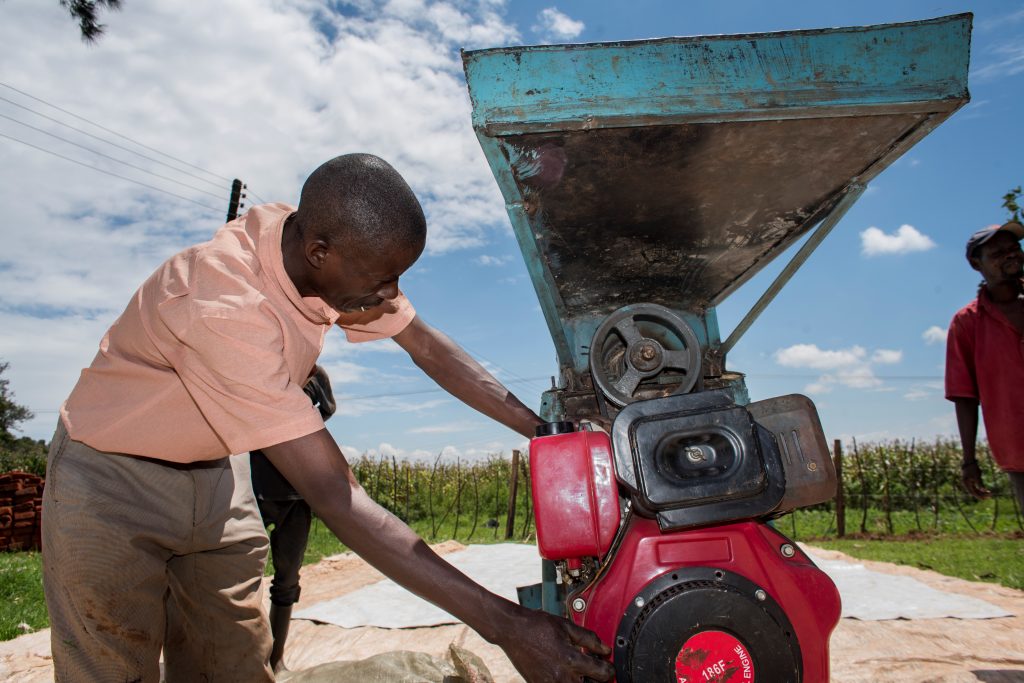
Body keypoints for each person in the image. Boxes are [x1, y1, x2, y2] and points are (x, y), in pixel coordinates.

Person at [43, 153, 614, 683]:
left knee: (234, 666)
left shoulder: (315, 250)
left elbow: (429, 348)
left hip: (216, 474)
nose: (392, 294)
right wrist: (508, 626)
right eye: (382, 279)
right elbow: (337, 496)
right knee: (113, 663)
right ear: (319, 252)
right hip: (112, 483)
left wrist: (547, 434)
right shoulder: (220, 305)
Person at [250, 365, 335, 673]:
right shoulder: (254, 366)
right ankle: (251, 656)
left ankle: (276, 658)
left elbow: (327, 409)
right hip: (253, 487)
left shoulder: (314, 375)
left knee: (287, 579)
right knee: (241, 578)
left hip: (294, 491)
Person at [945, 219, 1024, 511]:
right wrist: (969, 461)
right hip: (1018, 447)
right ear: (977, 264)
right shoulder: (967, 323)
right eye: (998, 253)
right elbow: (964, 396)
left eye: (1014, 248)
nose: (1011, 255)